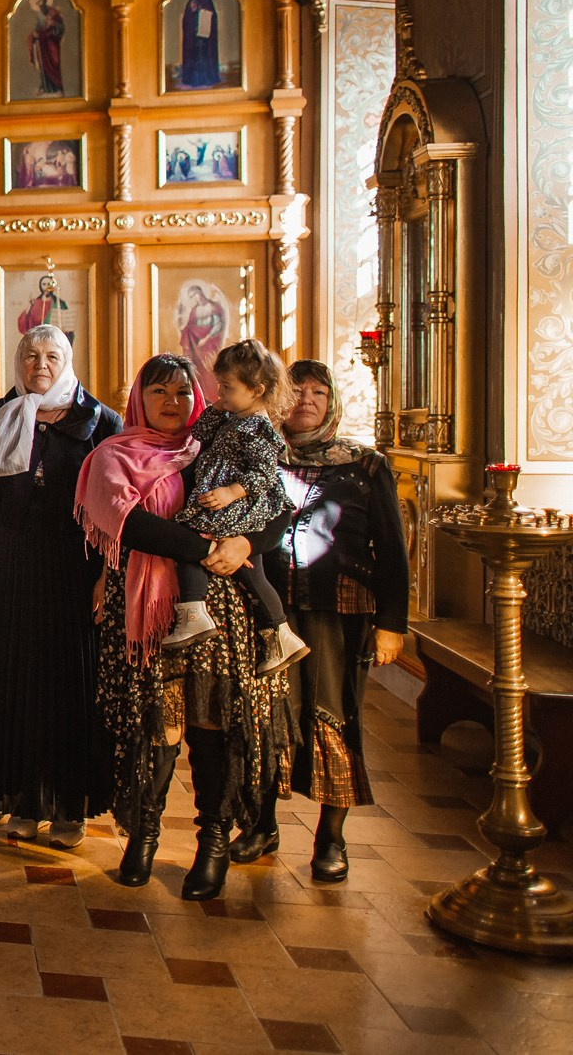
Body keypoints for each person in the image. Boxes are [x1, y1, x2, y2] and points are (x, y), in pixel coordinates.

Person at [86, 354, 294, 900]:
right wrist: (209, 548)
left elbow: (278, 509)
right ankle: (145, 837)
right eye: (160, 392)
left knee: (214, 725)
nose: (173, 402)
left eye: (183, 391)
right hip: (149, 612)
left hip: (222, 614)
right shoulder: (115, 454)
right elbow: (130, 524)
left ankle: (215, 842)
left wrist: (245, 543)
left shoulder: (217, 443)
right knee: (158, 724)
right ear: (139, 398)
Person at [241, 360, 410, 882]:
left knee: (332, 718)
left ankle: (330, 838)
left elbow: (393, 551)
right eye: (297, 390)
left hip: (339, 614)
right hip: (270, 609)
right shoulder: (258, 456)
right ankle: (262, 823)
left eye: (319, 391)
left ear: (331, 400)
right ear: (278, 398)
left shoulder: (366, 465)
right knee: (265, 714)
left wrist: (392, 623)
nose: (307, 399)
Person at [0, 325, 123, 849]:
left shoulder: (99, 420)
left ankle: (70, 806)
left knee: (69, 687)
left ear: (68, 360)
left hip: (75, 571)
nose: (40, 364)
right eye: (30, 355)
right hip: (10, 568)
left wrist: (104, 578)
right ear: (18, 360)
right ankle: (23, 801)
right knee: (14, 685)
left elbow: (120, 513)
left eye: (52, 355)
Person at [163, 340, 304, 673]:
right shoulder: (233, 416)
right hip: (230, 499)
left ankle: (194, 611)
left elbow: (264, 473)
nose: (220, 391)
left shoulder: (259, 428)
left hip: (239, 503)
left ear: (256, 390)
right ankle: (281, 632)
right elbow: (199, 432)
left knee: (193, 539)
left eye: (227, 387)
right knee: (251, 570)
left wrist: (231, 492)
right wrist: (218, 406)